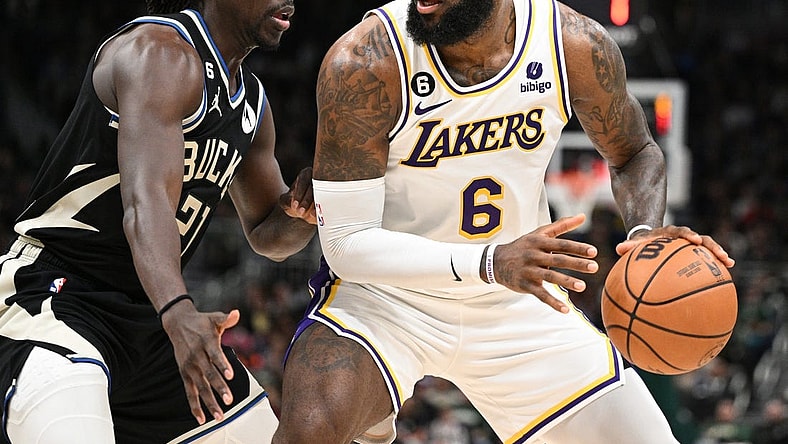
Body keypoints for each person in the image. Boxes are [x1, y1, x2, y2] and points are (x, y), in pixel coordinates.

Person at [273, 1, 736, 443]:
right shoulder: (365, 60)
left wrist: (644, 235)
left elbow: (634, 152)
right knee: (308, 430)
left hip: (519, 301)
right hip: (388, 299)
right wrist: (492, 261)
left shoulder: (572, 43)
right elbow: (347, 244)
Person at [0, 0, 315, 443]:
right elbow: (144, 203)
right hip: (60, 297)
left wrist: (304, 209)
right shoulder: (159, 53)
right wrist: (177, 311)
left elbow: (270, 237)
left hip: (146, 319)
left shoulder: (252, 106)